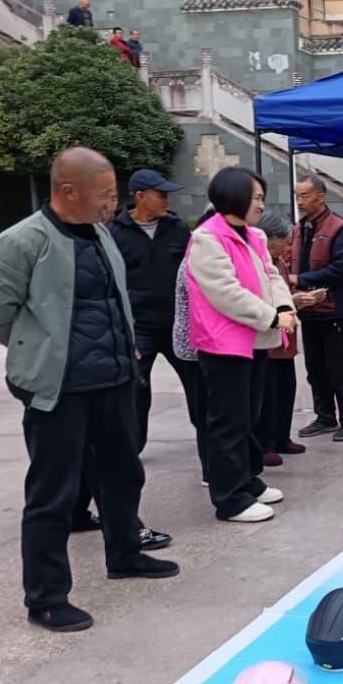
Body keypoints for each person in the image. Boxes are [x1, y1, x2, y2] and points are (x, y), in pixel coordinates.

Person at [0, 147, 179, 632]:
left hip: (114, 380)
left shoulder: (101, 234)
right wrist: (42, 350)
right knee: (54, 494)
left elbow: (114, 301)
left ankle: (125, 553)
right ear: (68, 191)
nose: (112, 203)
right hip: (59, 389)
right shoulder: (21, 243)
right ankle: (46, 598)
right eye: (104, 194)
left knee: (124, 474)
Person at [187, 167, 295, 523]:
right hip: (224, 343)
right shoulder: (206, 239)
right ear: (235, 197)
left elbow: (271, 274)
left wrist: (284, 307)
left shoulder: (255, 235)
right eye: (256, 198)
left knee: (249, 417)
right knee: (228, 422)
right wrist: (270, 316)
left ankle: (247, 480)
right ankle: (230, 498)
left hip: (255, 338)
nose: (261, 205)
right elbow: (225, 293)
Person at [107, 170, 201, 464]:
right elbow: (109, 285)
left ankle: (210, 444)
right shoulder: (114, 232)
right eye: (161, 194)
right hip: (139, 328)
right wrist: (122, 332)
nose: (166, 200)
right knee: (136, 389)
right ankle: (131, 451)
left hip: (178, 325)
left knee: (199, 386)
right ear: (140, 196)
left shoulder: (177, 229)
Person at [290, 175, 343, 442]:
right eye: (297, 196)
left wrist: (301, 280)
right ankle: (325, 417)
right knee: (315, 369)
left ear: (320, 197)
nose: (300, 201)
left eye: (304, 196)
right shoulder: (299, 228)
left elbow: (341, 269)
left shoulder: (339, 227)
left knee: (339, 369)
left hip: (332, 309)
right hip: (307, 309)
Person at [254, 209, 308, 466]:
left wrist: (294, 301)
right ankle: (265, 444)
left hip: (286, 336)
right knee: (268, 394)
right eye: (285, 242)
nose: (288, 248)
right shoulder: (258, 261)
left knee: (286, 389)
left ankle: (281, 437)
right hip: (268, 337)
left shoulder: (279, 262)